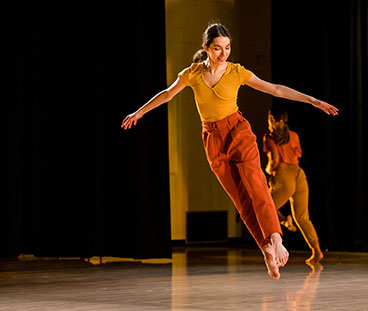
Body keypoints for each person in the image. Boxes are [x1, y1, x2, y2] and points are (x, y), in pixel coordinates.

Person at [121, 23, 338, 279]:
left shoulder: (237, 72)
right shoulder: (191, 74)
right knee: (241, 199)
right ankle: (266, 248)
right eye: (217, 48)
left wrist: (313, 100)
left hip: (238, 132)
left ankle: (277, 238)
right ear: (206, 48)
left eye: (227, 48)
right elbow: (167, 94)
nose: (223, 53)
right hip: (213, 139)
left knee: (256, 185)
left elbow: (275, 88)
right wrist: (140, 112)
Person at [263, 103, 325, 265]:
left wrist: (268, 170)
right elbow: (298, 156)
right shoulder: (294, 136)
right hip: (299, 174)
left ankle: (284, 221)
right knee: (303, 217)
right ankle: (317, 251)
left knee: (265, 206)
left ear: (271, 118)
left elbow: (274, 161)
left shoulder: (269, 138)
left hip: (284, 176)